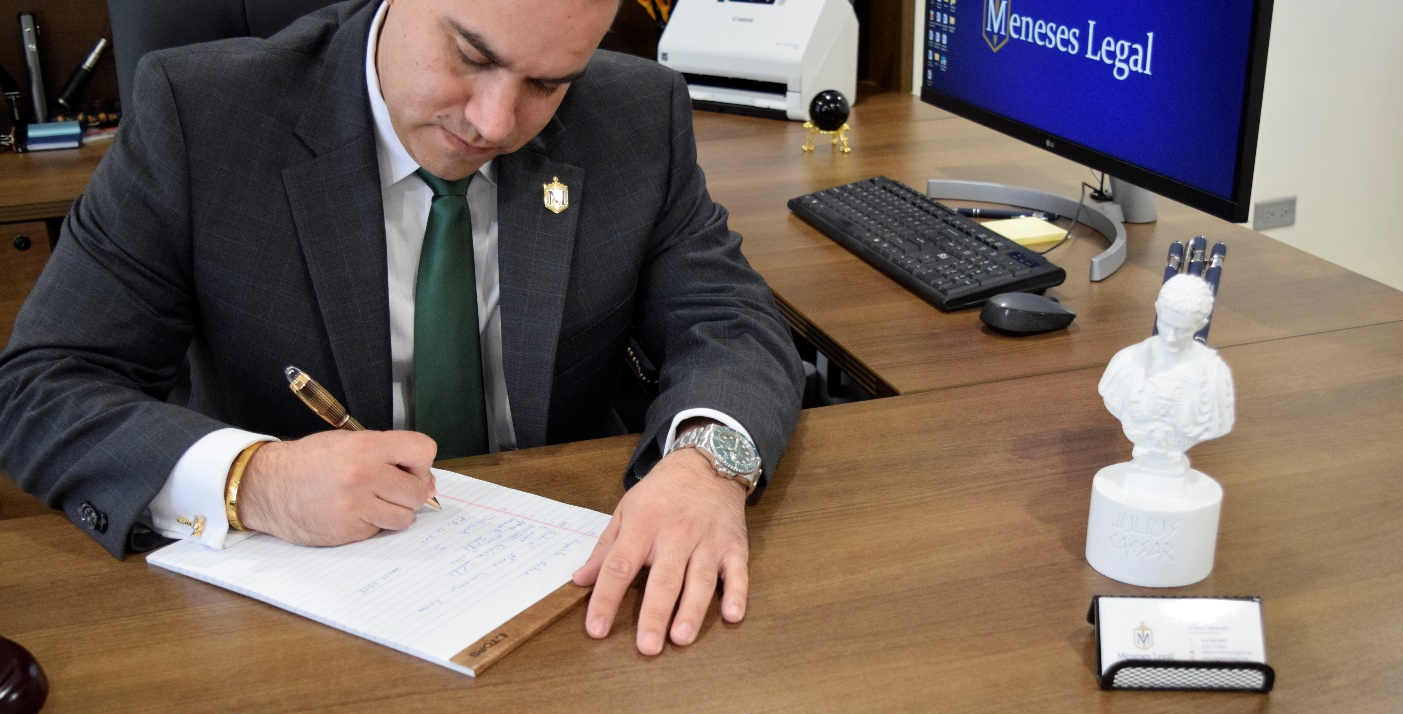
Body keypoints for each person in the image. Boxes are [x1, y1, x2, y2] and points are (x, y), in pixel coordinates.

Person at [0, 0, 805, 657]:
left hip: (564, 606)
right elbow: (41, 386)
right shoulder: (201, 114)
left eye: (547, 83)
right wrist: (258, 481)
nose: (494, 122)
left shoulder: (637, 114)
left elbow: (731, 317)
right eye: (470, 55)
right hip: (293, 623)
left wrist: (709, 464)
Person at [1098, 273, 1235, 476]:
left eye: (1181, 330)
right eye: (1165, 324)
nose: (1170, 337)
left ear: (1201, 325)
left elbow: (1218, 423)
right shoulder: (1126, 363)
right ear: (1157, 310)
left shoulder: (1214, 376)